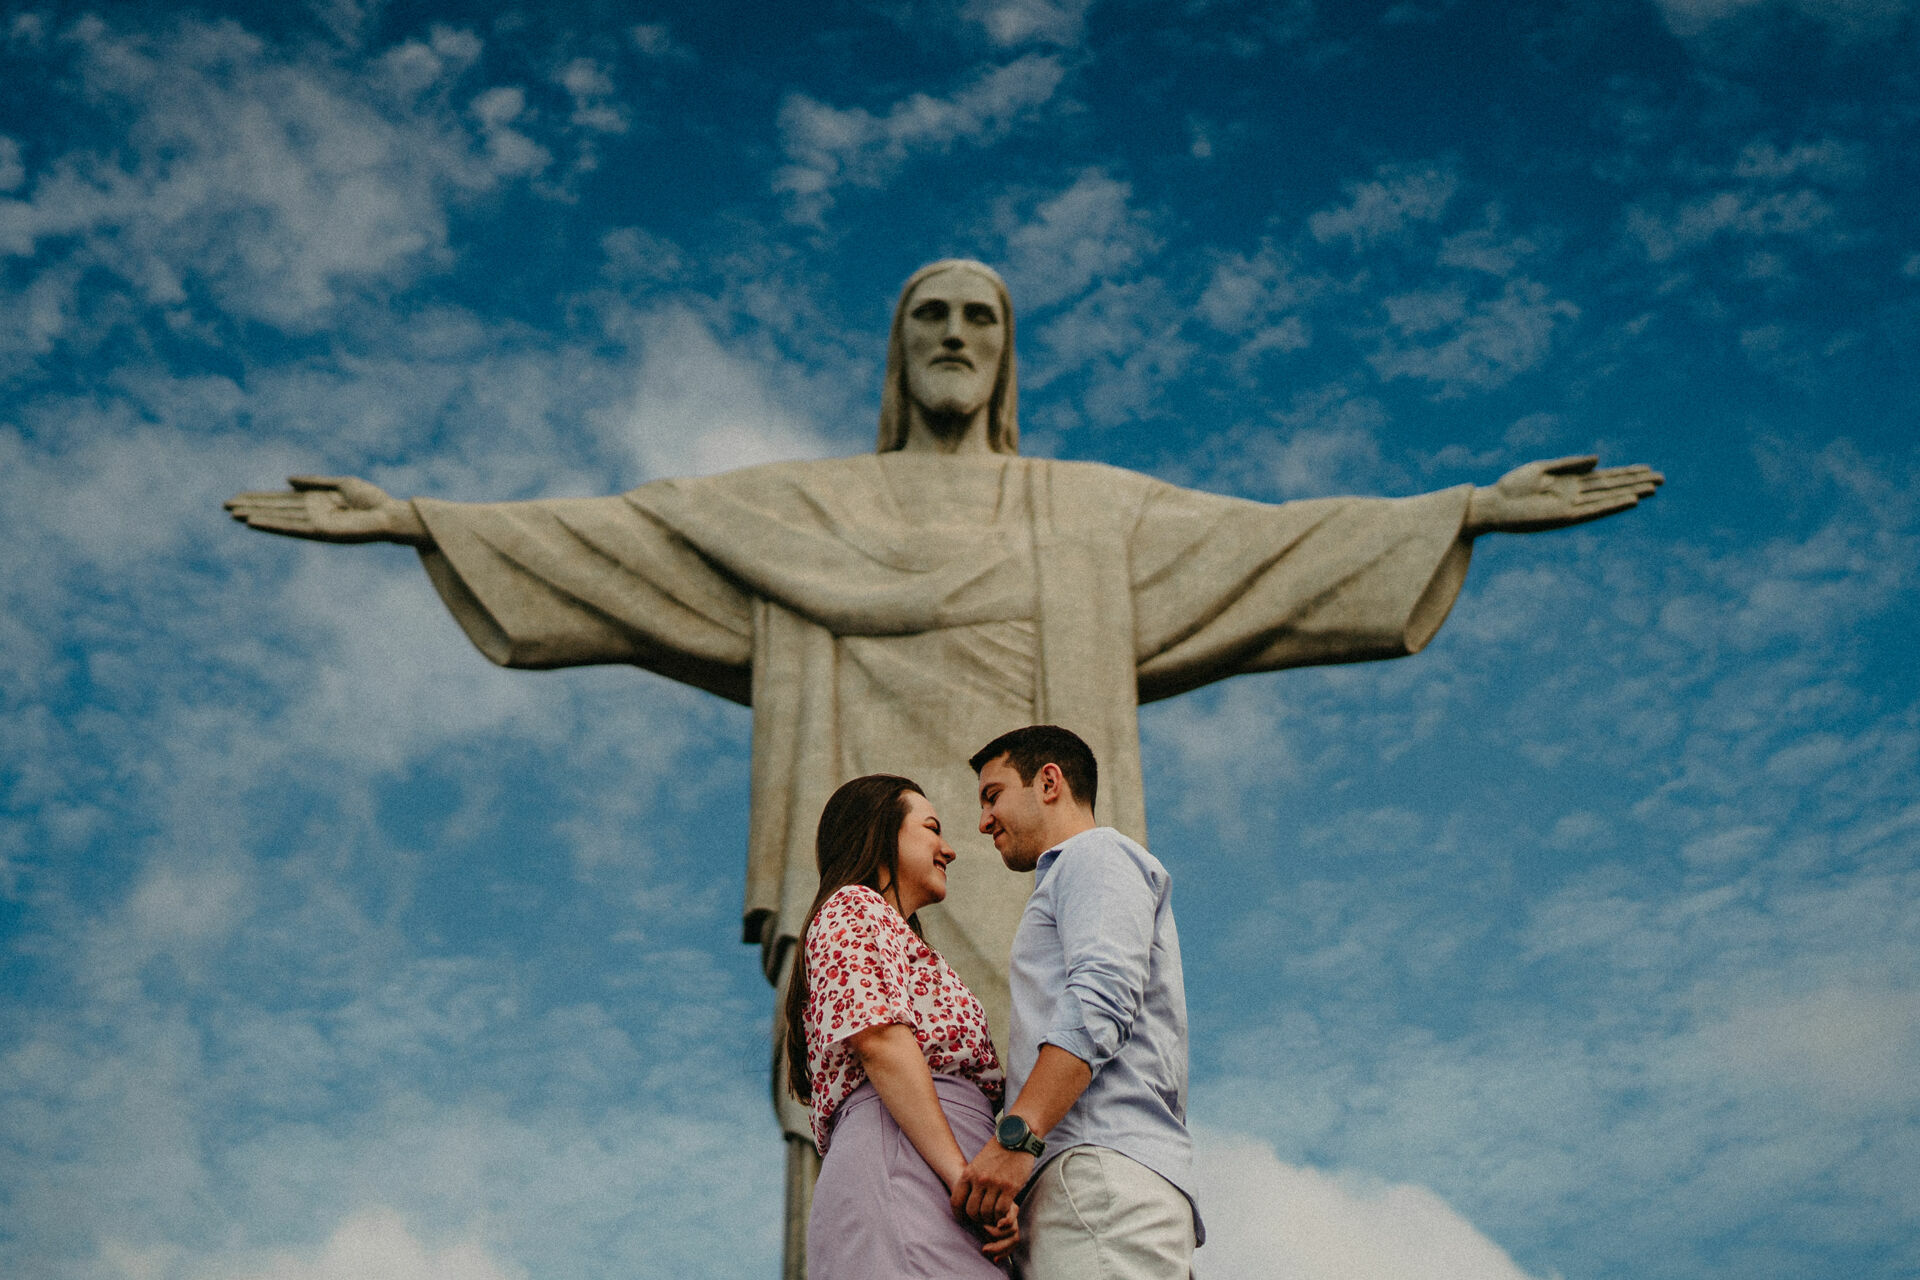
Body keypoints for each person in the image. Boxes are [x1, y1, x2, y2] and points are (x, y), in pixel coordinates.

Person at [224, 258, 1661, 1273]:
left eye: (983, 315)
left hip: (1032, 922)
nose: (958, 334)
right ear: (899, 351)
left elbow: (1271, 545)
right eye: (931, 315)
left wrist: (1462, 510)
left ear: (1008, 350)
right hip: (884, 902)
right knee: (879, 1149)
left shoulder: (1083, 513)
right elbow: (624, 541)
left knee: (1061, 1117)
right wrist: (422, 519)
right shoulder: (804, 511)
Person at [953, 725, 1199, 1279]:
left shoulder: (1095, 856)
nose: (983, 820)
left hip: (1099, 1177)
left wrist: (1017, 1139)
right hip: (1091, 1187)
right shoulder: (1080, 870)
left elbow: (1102, 997)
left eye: (993, 795)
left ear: (1048, 782)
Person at [786, 773, 1018, 1277]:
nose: (950, 849)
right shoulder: (853, 907)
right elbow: (882, 1042)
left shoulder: (898, 937)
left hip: (937, 1175)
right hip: (910, 1169)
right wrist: (965, 1178)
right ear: (881, 832)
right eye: (932, 828)